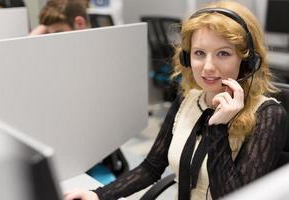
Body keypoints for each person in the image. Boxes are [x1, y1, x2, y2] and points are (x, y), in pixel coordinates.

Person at [64, 1, 288, 200]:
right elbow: (151, 167)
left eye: (223, 53)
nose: (208, 67)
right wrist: (99, 195)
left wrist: (218, 127)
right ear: (186, 57)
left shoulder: (268, 116)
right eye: (199, 53)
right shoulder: (188, 100)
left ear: (248, 62)